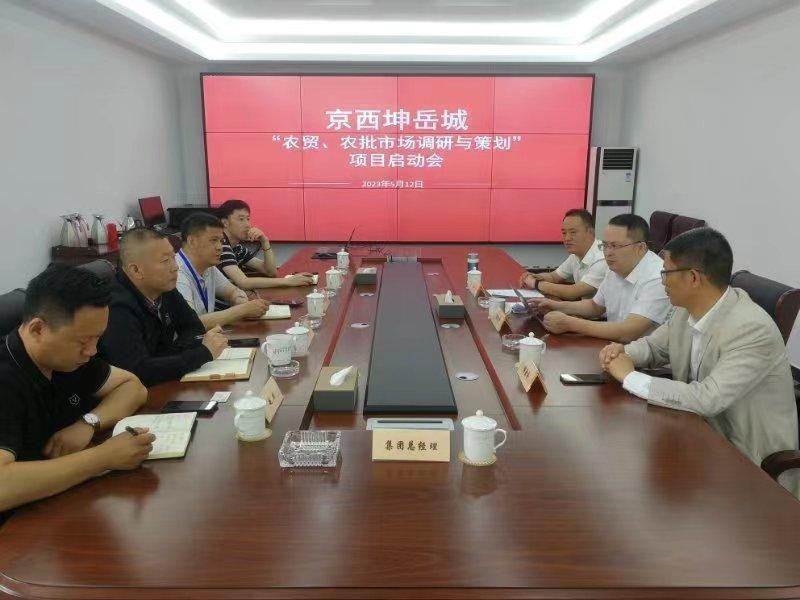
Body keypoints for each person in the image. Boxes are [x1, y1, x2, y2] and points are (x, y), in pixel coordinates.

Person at [599, 228, 798, 495]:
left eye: (666, 273)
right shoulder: (686, 310)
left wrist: (630, 377)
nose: (662, 281)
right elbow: (655, 347)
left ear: (693, 277)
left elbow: (707, 398)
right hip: (696, 436)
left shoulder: (751, 328)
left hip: (748, 464)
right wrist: (621, 352)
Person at [0, 264, 155, 523]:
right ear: (37, 329)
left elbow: (133, 387)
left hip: (60, 506)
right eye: (83, 341)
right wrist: (103, 458)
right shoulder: (6, 378)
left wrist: (88, 423)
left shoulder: (68, 358)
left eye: (97, 339)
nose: (92, 351)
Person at [99, 227, 228, 387]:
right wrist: (202, 354)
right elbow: (138, 371)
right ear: (136, 270)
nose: (175, 267)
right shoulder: (116, 307)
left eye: (174, 257)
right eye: (165, 261)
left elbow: (194, 328)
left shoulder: (163, 287)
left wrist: (164, 357)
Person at [530, 214, 671, 343]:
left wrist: (570, 323)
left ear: (640, 248)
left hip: (643, 358)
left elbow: (628, 332)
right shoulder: (616, 266)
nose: (608, 253)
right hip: (613, 346)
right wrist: (555, 305)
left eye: (615, 246)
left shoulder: (658, 278)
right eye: (605, 245)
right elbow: (595, 306)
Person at [176, 213, 269, 329]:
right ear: (192, 241)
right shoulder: (176, 272)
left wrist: (240, 300)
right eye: (214, 240)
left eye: (221, 240)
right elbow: (191, 323)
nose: (220, 247)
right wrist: (242, 310)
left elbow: (232, 292)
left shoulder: (208, 267)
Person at [216, 199, 314, 292]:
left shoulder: (237, 248)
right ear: (225, 223)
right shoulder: (220, 246)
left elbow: (271, 272)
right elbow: (243, 282)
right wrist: (288, 281)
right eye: (241, 219)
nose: (248, 225)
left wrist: (265, 241)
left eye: (248, 219)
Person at [519, 209, 607, 300]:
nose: (567, 238)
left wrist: (535, 283)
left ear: (590, 232)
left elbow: (572, 292)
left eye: (573, 232)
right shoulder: (575, 255)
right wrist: (535, 277)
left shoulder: (602, 259)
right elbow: (554, 276)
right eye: (564, 233)